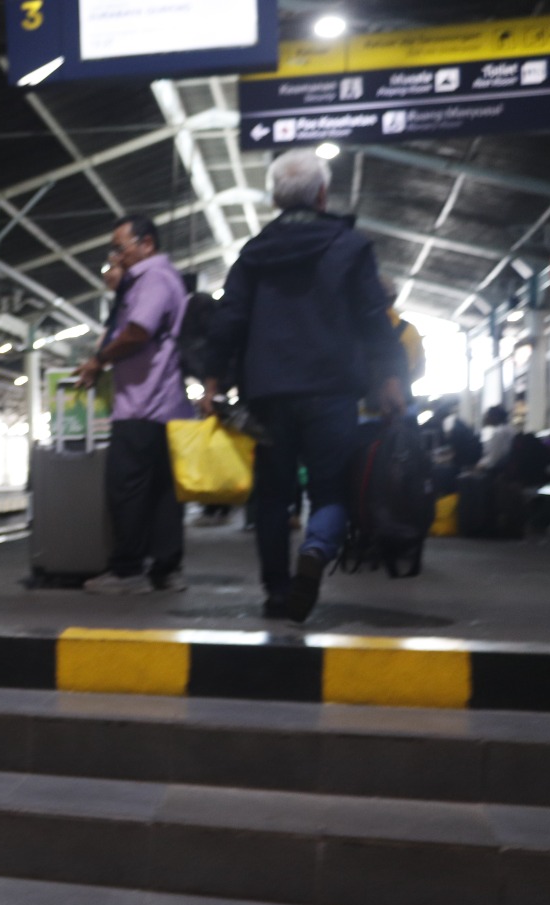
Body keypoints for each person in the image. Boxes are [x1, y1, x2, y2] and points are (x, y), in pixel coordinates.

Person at [202, 148, 407, 622]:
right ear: (322, 193)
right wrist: (391, 376)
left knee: (272, 496)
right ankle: (315, 551)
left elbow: (229, 318)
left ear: (275, 198)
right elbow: (374, 318)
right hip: (333, 389)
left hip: (269, 395)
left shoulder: (253, 252)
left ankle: (276, 592)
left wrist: (213, 378)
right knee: (331, 490)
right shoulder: (351, 247)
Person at [70, 215, 194, 593]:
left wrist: (99, 360)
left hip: (143, 404)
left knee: (127, 489)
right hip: (163, 406)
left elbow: (138, 332)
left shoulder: (153, 279)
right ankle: (164, 571)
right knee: (162, 493)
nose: (116, 256)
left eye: (120, 247)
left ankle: (127, 572)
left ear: (147, 245)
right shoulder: (150, 280)